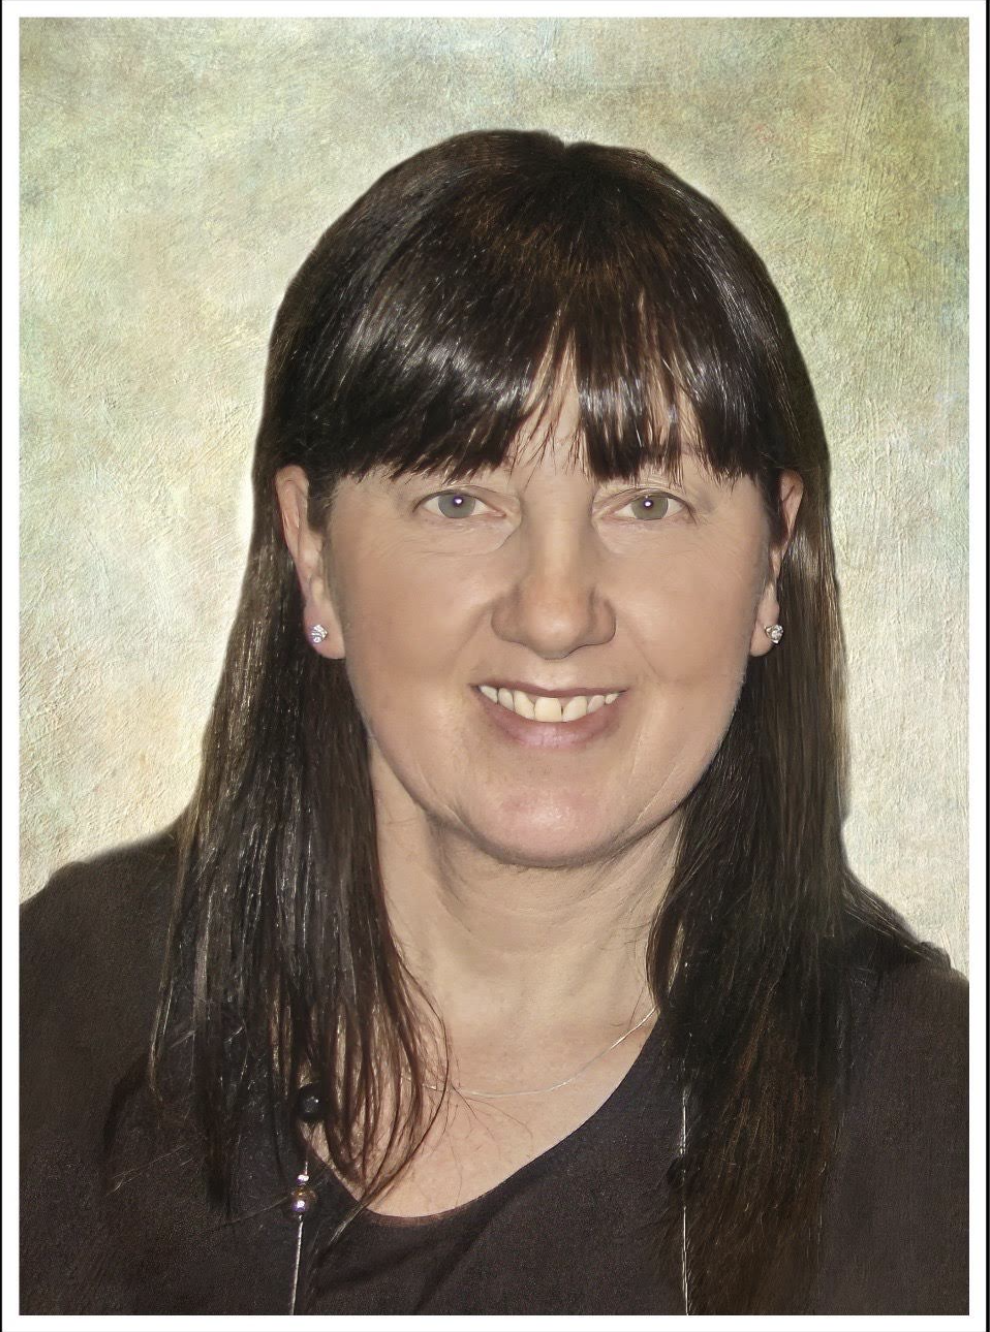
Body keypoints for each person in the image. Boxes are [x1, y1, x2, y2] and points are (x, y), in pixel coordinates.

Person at [20, 129, 968, 1316]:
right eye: (459, 498)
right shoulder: (62, 1013)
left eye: (648, 501)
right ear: (311, 547)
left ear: (773, 556)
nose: (556, 612)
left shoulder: (927, 1119)